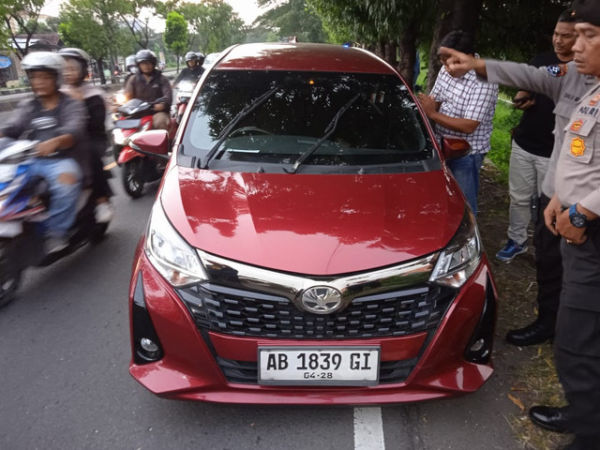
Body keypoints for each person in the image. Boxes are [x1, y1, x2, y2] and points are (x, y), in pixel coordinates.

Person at [441, 2, 600, 446]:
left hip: (585, 220)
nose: (570, 45)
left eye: (585, 35)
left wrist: (581, 210)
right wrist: (557, 198)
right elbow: (533, 81)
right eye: (570, 35)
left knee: (580, 337)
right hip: (565, 209)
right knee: (566, 310)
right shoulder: (580, 80)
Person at [496, 10, 578, 263]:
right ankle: (517, 240)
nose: (558, 40)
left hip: (556, 152)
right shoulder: (540, 60)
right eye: (555, 34)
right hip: (525, 142)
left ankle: (549, 251)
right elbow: (525, 91)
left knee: (550, 205)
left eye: (565, 36)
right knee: (518, 198)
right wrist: (522, 100)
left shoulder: (585, 68)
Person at [0, 51, 87, 253]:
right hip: (28, 159)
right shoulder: (28, 105)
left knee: (66, 183)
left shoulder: (71, 104)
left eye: (44, 77)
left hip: (60, 160)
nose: (38, 82)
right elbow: (13, 128)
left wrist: (56, 141)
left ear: (56, 77)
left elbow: (74, 129)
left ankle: (57, 232)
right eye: (34, 77)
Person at [418, 30, 499, 214]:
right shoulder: (448, 69)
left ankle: (468, 240)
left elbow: (469, 125)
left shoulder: (484, 80)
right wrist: (426, 107)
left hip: (466, 153)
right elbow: (436, 99)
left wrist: (432, 114)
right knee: (442, 201)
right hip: (442, 145)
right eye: (444, 63)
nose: (448, 69)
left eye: (453, 63)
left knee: (464, 206)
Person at [59, 47, 114, 224]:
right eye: (64, 69)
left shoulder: (93, 94)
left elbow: (96, 125)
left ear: (82, 70)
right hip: (60, 140)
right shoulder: (56, 94)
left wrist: (78, 103)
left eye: (72, 68)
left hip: (92, 138)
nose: (68, 73)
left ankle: (101, 200)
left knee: (89, 153)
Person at [124, 49, 172, 130]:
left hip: (156, 112)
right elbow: (127, 96)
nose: (146, 66)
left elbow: (168, 96)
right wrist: (119, 105)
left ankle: (164, 142)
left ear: (153, 64)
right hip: (137, 113)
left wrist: (163, 104)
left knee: (161, 122)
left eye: (149, 63)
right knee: (121, 125)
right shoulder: (133, 79)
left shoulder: (162, 79)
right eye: (143, 63)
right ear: (138, 65)